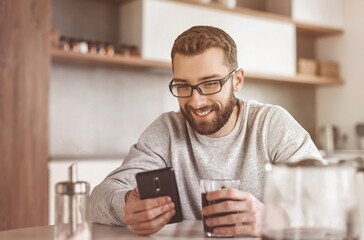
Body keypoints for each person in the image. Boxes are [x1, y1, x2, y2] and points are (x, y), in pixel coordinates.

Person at [90, 25, 322, 237]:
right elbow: (98, 199)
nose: (196, 101)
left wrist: (271, 219)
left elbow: (327, 201)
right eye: (183, 86)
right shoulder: (167, 130)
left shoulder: (271, 124)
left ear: (237, 81)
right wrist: (127, 206)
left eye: (210, 83)